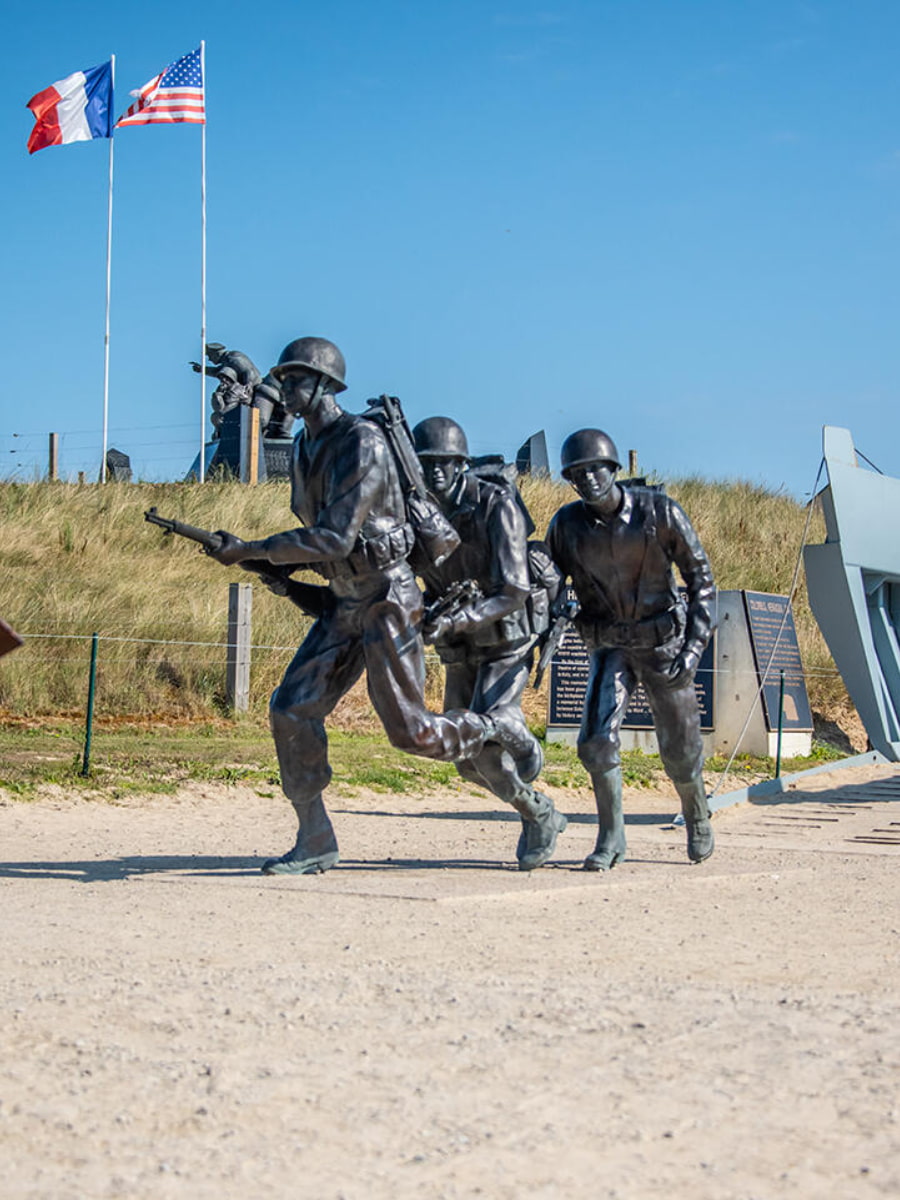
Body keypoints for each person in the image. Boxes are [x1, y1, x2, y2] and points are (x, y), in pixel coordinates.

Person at [205, 337, 534, 875]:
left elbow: (334, 538)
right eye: (282, 379)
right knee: (291, 708)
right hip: (343, 599)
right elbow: (320, 542)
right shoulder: (305, 447)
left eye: (294, 380)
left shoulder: (363, 441)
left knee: (414, 735)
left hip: (386, 598)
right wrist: (265, 564)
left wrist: (253, 548)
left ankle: (494, 732)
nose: (282, 389)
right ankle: (315, 837)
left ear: (326, 386)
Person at [546, 429, 716, 870]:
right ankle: (611, 837)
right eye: (576, 475)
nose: (586, 480)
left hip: (664, 645)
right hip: (610, 645)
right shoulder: (566, 526)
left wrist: (694, 648)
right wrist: (554, 603)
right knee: (595, 742)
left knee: (680, 749)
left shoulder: (659, 512)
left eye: (593, 470)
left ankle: (697, 814)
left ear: (613, 468)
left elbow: (703, 583)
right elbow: (546, 580)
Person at [413, 417, 567, 870]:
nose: (436, 471)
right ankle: (538, 806)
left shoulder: (494, 505)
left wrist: (458, 617)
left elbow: (514, 589)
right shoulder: (417, 510)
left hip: (505, 635)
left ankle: (525, 759)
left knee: (485, 737)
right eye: (427, 463)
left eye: (446, 462)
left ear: (461, 462)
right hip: (459, 643)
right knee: (463, 758)